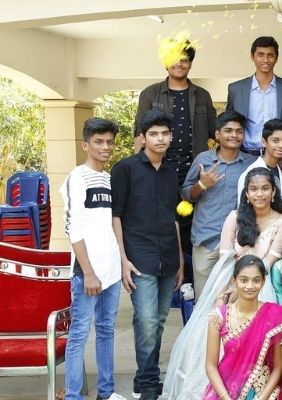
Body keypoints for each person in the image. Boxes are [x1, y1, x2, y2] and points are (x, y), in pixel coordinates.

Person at [164, 168, 282, 399]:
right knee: (213, 329)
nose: (260, 194)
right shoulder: (235, 217)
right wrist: (230, 289)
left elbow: (269, 260)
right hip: (230, 279)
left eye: (265, 188)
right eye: (254, 189)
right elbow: (225, 257)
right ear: (246, 193)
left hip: (261, 283)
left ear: (274, 192)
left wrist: (245, 287)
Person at [111, 111, 183, 400]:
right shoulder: (125, 169)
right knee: (147, 320)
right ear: (143, 137)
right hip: (139, 258)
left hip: (168, 257)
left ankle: (143, 378)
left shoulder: (170, 172)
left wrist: (180, 261)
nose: (160, 139)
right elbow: (115, 217)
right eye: (153, 134)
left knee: (159, 320)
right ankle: (150, 383)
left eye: (165, 133)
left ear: (171, 137)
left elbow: (173, 217)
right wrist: (122, 259)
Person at [60, 118, 125, 400]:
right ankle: (73, 396)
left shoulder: (110, 179)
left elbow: (113, 223)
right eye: (99, 141)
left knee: (106, 331)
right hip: (87, 272)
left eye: (109, 142)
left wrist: (120, 264)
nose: (105, 147)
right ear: (86, 144)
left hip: (111, 270)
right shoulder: (77, 177)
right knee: (78, 335)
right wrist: (88, 272)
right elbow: (73, 228)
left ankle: (106, 392)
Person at [182, 110, 255, 298]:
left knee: (233, 301)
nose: (234, 135)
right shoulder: (203, 160)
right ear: (217, 134)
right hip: (206, 239)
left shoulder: (252, 163)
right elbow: (186, 194)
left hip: (237, 243)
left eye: (239, 131)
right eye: (228, 130)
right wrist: (201, 185)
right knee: (204, 301)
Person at [203, 256, 282, 400]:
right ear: (234, 281)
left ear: (263, 282)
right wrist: (226, 398)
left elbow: (278, 367)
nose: (250, 286)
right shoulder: (218, 317)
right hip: (225, 389)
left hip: (263, 389)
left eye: (256, 280)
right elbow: (210, 366)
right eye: (244, 280)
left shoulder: (275, 315)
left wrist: (262, 398)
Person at [135, 38, 215, 182]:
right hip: (158, 167)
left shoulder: (203, 95)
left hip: (196, 168)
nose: (179, 64)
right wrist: (140, 169)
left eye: (184, 60)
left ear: (190, 64)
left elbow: (215, 131)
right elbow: (140, 132)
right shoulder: (149, 94)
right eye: (174, 59)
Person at [226, 36, 282, 158]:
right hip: (244, 155)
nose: (265, 60)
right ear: (252, 57)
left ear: (276, 58)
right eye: (260, 55)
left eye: (270, 55)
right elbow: (229, 123)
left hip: (279, 157)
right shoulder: (236, 89)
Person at [237, 118, 282, 203]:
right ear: (264, 142)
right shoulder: (251, 172)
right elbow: (242, 206)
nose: (281, 145)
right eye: (275, 141)